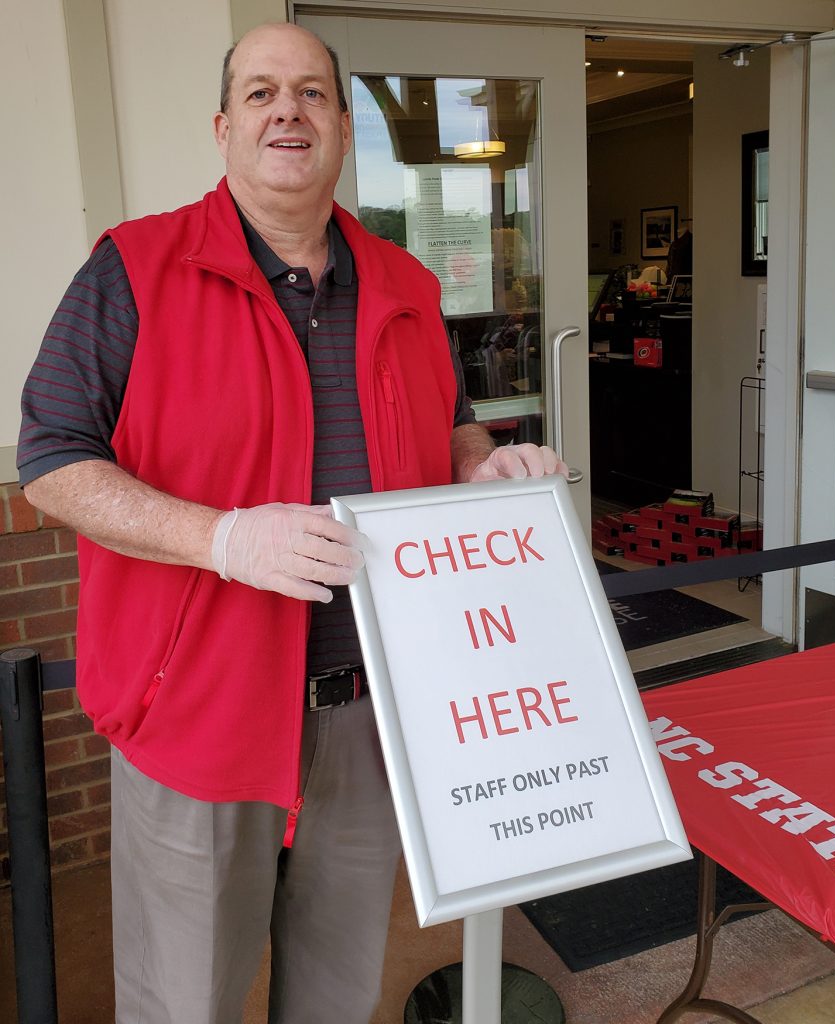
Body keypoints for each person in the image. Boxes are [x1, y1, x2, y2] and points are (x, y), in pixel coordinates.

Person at [18, 22, 567, 1024]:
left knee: (336, 989)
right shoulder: (133, 269)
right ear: (225, 128)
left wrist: (492, 470)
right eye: (263, 93)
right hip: (197, 710)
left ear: (342, 130)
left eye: (311, 93)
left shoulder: (403, 285)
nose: (288, 111)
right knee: (185, 999)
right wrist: (220, 538)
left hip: (366, 710)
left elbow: (445, 433)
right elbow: (52, 462)